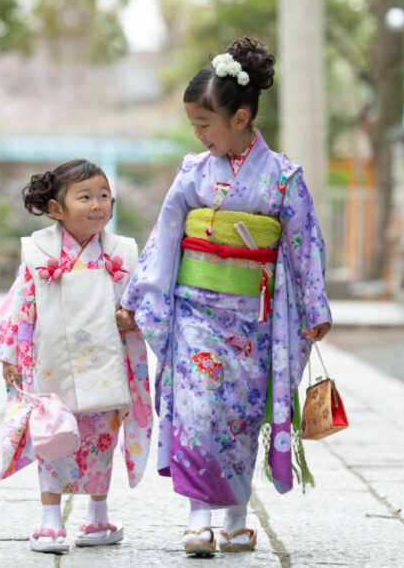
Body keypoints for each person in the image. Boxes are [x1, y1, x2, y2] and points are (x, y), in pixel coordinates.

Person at [118, 37, 332, 555]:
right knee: (197, 409)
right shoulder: (193, 172)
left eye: (204, 125)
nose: (197, 135)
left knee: (238, 415)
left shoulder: (283, 177)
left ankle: (236, 518)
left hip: (253, 320)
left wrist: (313, 307)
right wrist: (140, 295)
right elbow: (166, 235)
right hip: (194, 309)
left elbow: (304, 245)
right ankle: (198, 518)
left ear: (240, 119)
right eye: (194, 125)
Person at [0, 159, 153, 555]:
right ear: (57, 209)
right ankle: (50, 521)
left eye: (104, 196)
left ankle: (97, 515)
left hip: (105, 364)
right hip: (52, 362)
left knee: (101, 440)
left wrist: (133, 317)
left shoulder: (122, 250)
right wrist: (10, 355)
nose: (98, 205)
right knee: (52, 438)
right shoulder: (39, 250)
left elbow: (140, 300)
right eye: (85, 197)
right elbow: (21, 305)